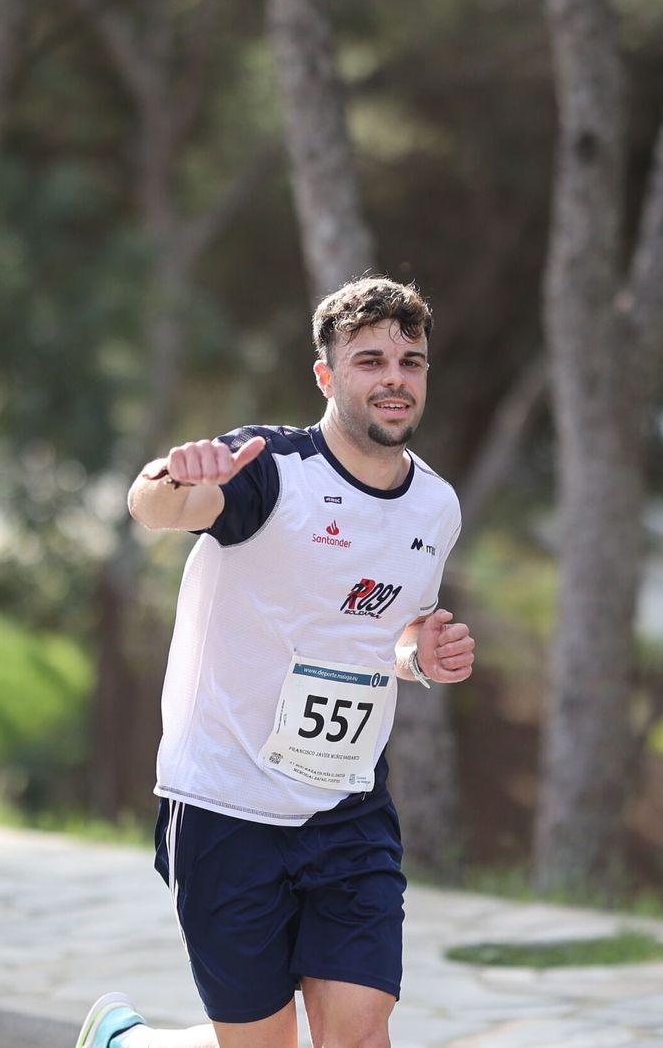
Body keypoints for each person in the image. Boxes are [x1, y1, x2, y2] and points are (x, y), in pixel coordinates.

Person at [76, 277, 475, 1048]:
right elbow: (157, 510)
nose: (394, 378)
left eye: (411, 361)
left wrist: (419, 655)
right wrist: (172, 479)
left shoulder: (437, 507)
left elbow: (389, 634)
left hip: (346, 808)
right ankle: (131, 1044)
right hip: (228, 808)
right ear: (327, 377)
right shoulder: (270, 468)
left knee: (357, 1038)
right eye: (370, 360)